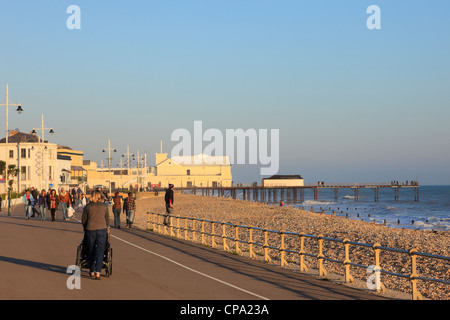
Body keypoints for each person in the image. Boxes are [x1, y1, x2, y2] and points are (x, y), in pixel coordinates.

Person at [81, 190, 110, 280]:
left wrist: (86, 227)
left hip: (90, 230)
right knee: (100, 250)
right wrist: (107, 228)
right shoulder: (104, 206)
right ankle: (98, 272)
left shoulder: (88, 206)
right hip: (102, 229)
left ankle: (92, 270)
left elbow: (83, 220)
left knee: (91, 249)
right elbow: (107, 219)